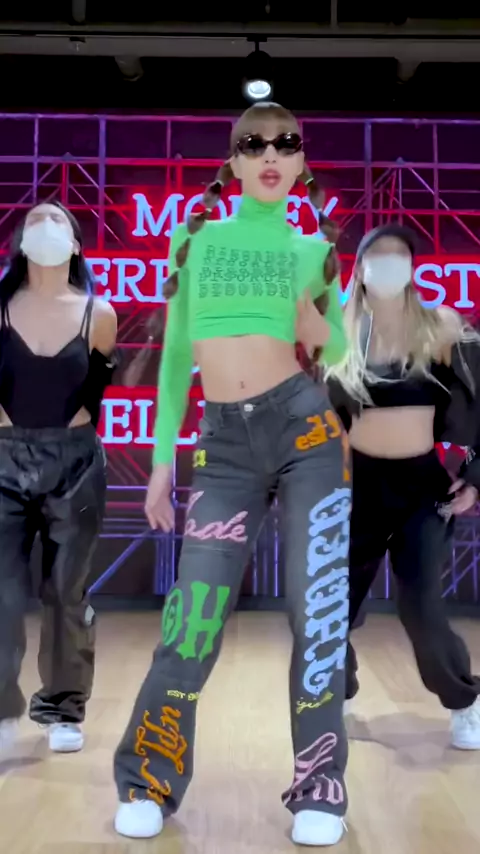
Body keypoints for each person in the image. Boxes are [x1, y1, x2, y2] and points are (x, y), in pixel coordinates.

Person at [113, 101, 351, 847]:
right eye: (254, 144)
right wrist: (162, 462)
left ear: (301, 161)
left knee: (316, 616)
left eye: (286, 143)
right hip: (222, 444)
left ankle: (319, 785)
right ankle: (147, 778)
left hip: (307, 432)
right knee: (192, 616)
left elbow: (342, 352)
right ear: (235, 161)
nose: (270, 154)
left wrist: (317, 328)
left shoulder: (313, 250)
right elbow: (175, 358)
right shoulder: (194, 239)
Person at [326, 222, 480, 748]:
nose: (388, 264)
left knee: (422, 610)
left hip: (421, 490)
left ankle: (464, 700)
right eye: (378, 255)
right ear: (360, 269)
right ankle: (336, 694)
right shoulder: (340, 332)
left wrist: (475, 478)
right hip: (357, 489)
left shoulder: (439, 327)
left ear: (413, 268)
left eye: (399, 255)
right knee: (331, 608)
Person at [0, 202, 117, 755]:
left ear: (75, 243)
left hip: (75, 463)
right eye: (36, 221)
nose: (46, 228)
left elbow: (95, 394)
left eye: (58, 222)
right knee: (2, 590)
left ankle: (63, 709)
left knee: (67, 591)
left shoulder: (100, 313)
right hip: (3, 458)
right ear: (19, 242)